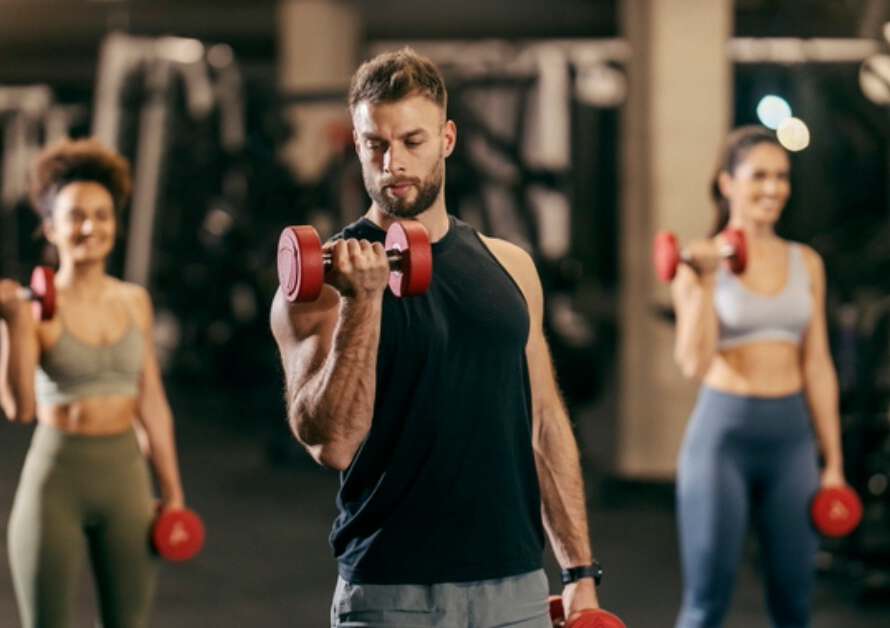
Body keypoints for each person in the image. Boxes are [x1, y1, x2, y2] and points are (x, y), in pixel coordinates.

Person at [271, 48, 608, 627]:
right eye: (375, 143)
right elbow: (333, 445)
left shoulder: (513, 269)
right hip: (390, 592)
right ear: (357, 145)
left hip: (515, 590)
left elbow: (546, 420)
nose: (393, 161)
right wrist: (362, 304)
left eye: (412, 140)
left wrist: (578, 571)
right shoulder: (322, 285)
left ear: (447, 139)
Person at [0, 138, 187, 628]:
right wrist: (12, 325)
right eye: (77, 216)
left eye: (102, 216)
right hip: (57, 480)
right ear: (50, 227)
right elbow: (19, 409)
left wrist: (173, 491)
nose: (91, 227)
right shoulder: (31, 309)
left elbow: (152, 404)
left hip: (125, 478)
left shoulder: (134, 302)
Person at [670, 125, 847, 628]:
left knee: (794, 604)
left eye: (782, 176)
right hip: (723, 438)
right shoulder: (699, 262)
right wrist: (703, 282)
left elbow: (817, 363)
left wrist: (832, 461)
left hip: (791, 441)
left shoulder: (805, 262)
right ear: (728, 184)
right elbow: (693, 364)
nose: (773, 188)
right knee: (706, 603)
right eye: (759, 176)